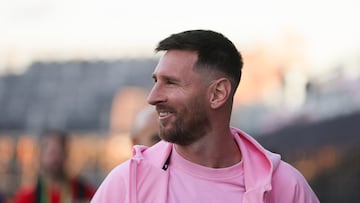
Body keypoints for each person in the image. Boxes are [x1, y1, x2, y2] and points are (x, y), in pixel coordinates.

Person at [91, 30, 319, 202]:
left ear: (218, 93)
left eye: (170, 82)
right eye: (156, 81)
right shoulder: (128, 183)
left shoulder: (286, 188)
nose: (153, 97)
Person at [13, 130, 95, 203]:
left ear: (66, 154)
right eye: (51, 153)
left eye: (59, 152)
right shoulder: (26, 198)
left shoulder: (84, 193)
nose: (55, 158)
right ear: (40, 156)